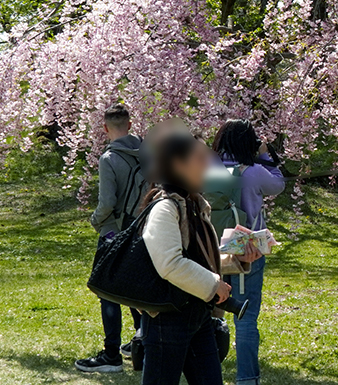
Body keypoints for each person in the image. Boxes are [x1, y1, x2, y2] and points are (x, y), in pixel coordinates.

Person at [140, 131, 261, 385]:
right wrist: (214, 285)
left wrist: (238, 258)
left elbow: (199, 259)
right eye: (200, 158)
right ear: (178, 165)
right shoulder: (164, 207)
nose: (209, 164)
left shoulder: (195, 203)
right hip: (166, 320)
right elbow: (170, 264)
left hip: (199, 315)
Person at [211, 120, 286, 385]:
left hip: (215, 248)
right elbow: (278, 185)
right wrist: (265, 155)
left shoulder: (210, 169)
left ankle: (207, 373)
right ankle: (247, 378)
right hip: (248, 248)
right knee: (246, 317)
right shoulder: (253, 171)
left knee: (210, 312)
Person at [77, 104, 148, 374]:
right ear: (130, 125)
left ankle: (111, 354)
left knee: (107, 289)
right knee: (135, 285)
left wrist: (95, 220)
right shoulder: (149, 153)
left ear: (105, 128)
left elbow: (107, 202)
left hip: (114, 230)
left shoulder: (109, 158)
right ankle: (141, 340)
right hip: (143, 228)